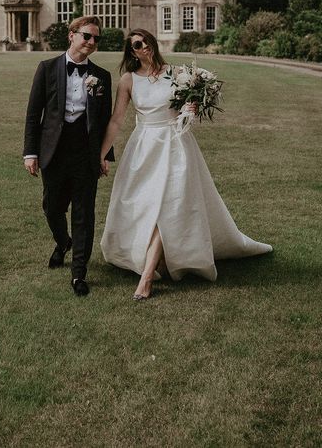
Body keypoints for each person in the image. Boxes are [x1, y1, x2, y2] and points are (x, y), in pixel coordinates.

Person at [99, 29, 272, 300]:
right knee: (145, 206)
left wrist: (190, 110)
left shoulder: (178, 73)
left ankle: (146, 277)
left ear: (153, 43)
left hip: (175, 144)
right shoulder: (128, 80)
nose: (143, 47)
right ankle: (162, 259)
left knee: (166, 205)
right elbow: (116, 121)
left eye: (146, 41)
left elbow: (185, 109)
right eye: (136, 44)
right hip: (144, 148)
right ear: (132, 51)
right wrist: (102, 153)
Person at [24, 16, 114, 296]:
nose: (91, 42)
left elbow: (104, 121)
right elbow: (33, 112)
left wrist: (105, 156)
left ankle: (78, 274)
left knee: (84, 214)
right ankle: (63, 242)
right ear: (72, 35)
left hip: (86, 152)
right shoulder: (47, 68)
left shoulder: (102, 76)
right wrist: (30, 152)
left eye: (96, 39)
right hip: (53, 149)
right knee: (52, 207)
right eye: (87, 36)